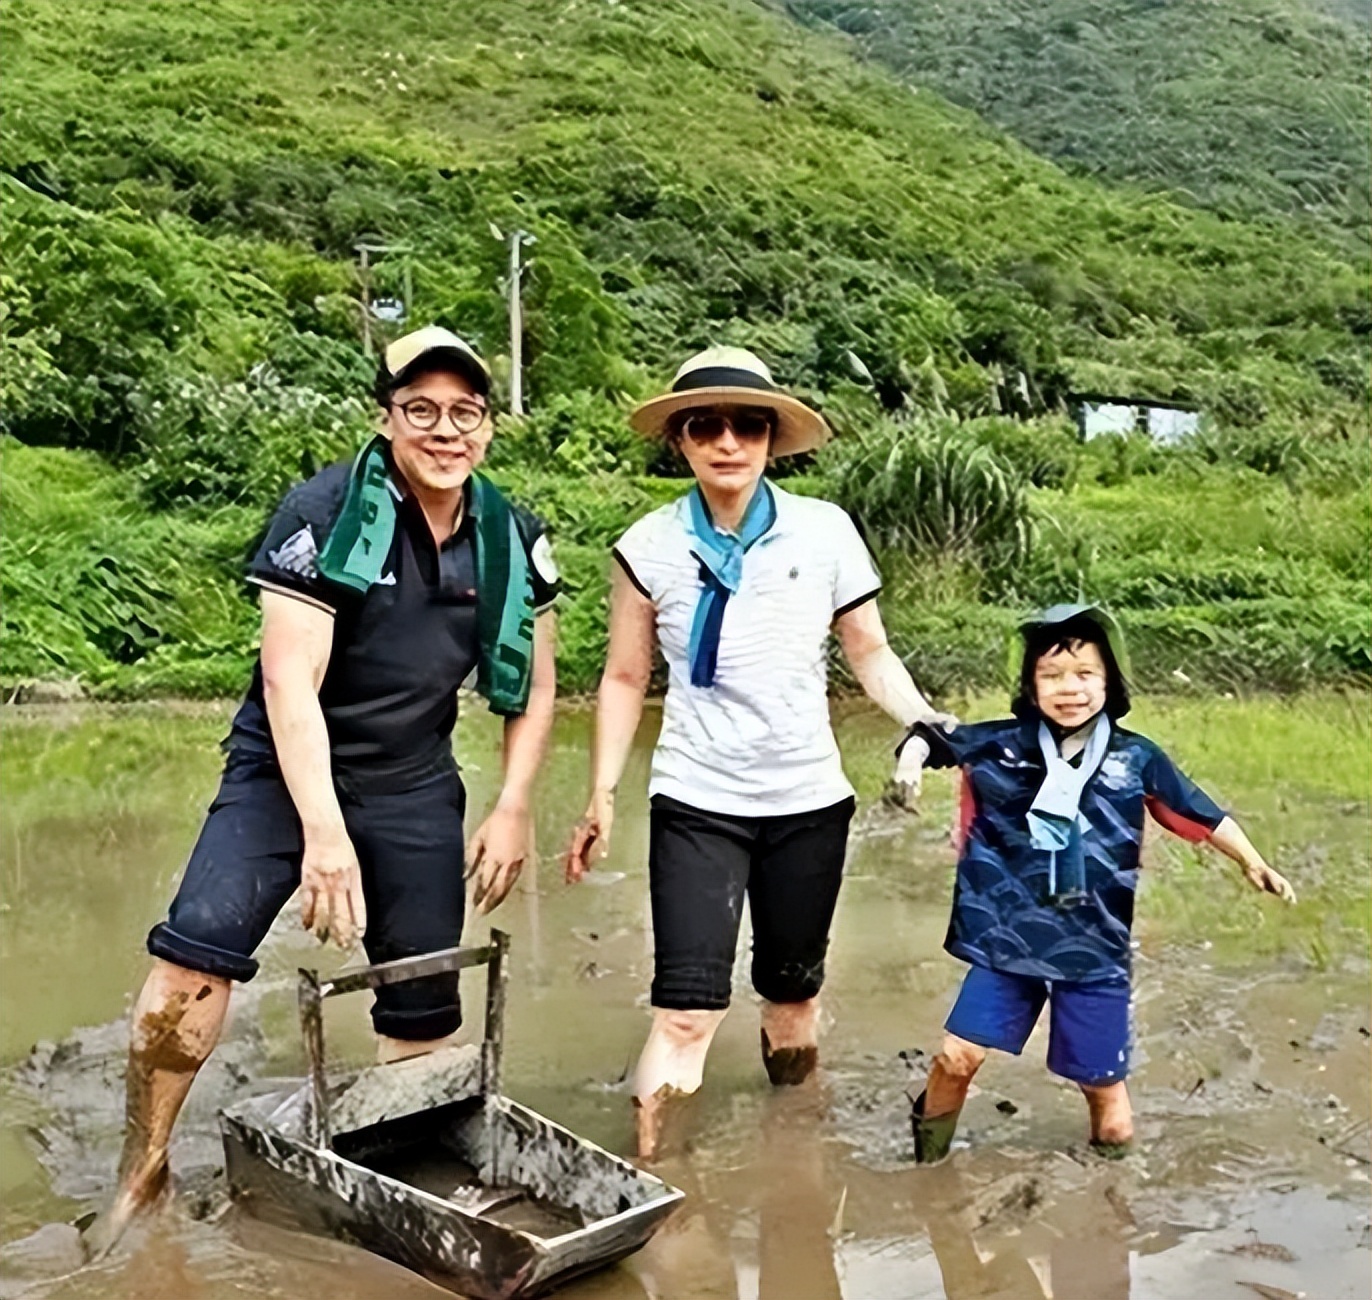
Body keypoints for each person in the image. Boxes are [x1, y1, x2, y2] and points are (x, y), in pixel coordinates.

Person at [86, 326, 560, 1254]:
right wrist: (324, 832)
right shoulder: (324, 510)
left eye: (466, 412)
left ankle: (391, 1188)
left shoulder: (511, 534)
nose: (445, 430)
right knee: (192, 963)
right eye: (420, 409)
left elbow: (536, 685)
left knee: (421, 1006)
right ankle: (142, 1169)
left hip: (415, 779)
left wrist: (512, 806)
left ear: (490, 427)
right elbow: (287, 682)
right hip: (280, 773)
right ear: (386, 418)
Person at [563, 346, 951, 1159]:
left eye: (748, 424)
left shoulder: (825, 530)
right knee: (686, 1009)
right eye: (707, 424)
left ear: (773, 438)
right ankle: (649, 1179)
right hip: (697, 798)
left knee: (792, 999)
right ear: (682, 440)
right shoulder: (649, 545)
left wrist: (923, 717)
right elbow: (628, 675)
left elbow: (869, 652)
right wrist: (600, 793)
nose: (728, 441)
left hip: (808, 801)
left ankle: (793, 1155)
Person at [903, 603, 1296, 1163]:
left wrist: (1251, 860)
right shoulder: (1001, 744)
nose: (1070, 688)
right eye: (1052, 675)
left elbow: (1200, 813)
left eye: (1085, 674)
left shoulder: (1136, 757)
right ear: (1030, 685)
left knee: (1107, 1108)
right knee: (956, 1058)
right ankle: (926, 1166)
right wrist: (909, 768)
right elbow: (928, 739)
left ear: (1109, 682)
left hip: (1093, 946)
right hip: (1005, 939)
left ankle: (1109, 1203)